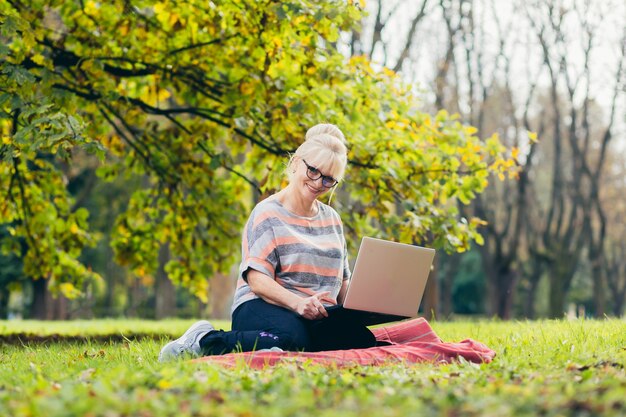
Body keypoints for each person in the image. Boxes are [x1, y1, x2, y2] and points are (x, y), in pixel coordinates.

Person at [159, 123, 376, 362]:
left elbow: (343, 282)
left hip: (316, 315)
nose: (318, 183)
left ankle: (272, 347)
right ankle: (204, 339)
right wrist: (298, 303)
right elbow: (257, 280)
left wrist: (364, 307)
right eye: (313, 171)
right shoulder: (267, 213)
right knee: (293, 338)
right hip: (262, 306)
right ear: (295, 163)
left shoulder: (332, 219)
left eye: (328, 180)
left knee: (361, 341)